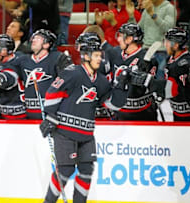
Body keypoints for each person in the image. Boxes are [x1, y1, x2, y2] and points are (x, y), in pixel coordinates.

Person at [39, 33, 129, 203]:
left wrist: (121, 86)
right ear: (86, 55)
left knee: (87, 170)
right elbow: (51, 94)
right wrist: (50, 117)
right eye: (96, 55)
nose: (100, 59)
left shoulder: (101, 81)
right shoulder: (72, 73)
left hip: (86, 134)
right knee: (64, 171)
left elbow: (113, 104)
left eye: (100, 55)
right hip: (65, 132)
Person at [131, 27, 190, 121]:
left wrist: (149, 81)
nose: (165, 44)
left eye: (167, 42)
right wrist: (159, 98)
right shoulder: (174, 59)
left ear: (176, 45)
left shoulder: (184, 63)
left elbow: (172, 89)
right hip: (179, 111)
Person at [16, 29, 72, 119]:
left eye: (38, 38)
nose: (33, 40)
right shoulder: (22, 60)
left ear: (46, 44)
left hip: (50, 114)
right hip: (28, 114)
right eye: (33, 38)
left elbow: (67, 83)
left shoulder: (58, 59)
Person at [109, 23, 158, 120]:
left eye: (121, 36)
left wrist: (140, 79)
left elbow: (150, 87)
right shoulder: (114, 53)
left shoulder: (147, 60)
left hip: (142, 114)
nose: (118, 39)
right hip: (119, 113)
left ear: (129, 39)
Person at [127, 0, 176, 79]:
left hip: (161, 52)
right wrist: (131, 16)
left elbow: (169, 29)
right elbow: (138, 29)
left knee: (159, 82)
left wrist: (153, 15)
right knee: (140, 81)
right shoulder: (147, 10)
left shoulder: (169, 8)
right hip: (146, 51)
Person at [0, 34, 26, 119]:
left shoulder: (9, 69)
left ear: (4, 51)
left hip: (14, 117)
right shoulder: (20, 56)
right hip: (22, 111)